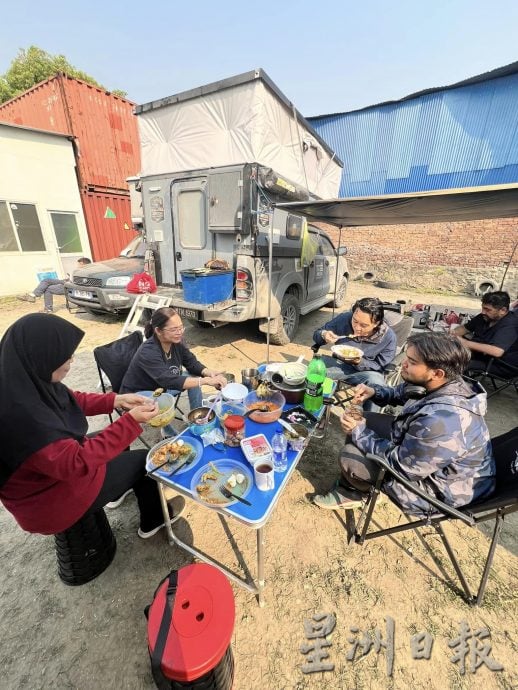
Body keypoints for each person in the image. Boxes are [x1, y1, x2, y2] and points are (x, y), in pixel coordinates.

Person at [0, 313, 185, 539]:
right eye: (65, 356)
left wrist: (117, 399)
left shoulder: (22, 381)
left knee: (111, 440)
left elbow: (72, 399)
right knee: (146, 461)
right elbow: (76, 462)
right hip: (48, 500)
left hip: (52, 477)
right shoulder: (23, 420)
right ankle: (154, 520)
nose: (71, 360)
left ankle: (118, 490)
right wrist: (131, 421)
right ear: (41, 356)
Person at [313, 332, 495, 513]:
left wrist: (358, 431)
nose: (403, 364)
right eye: (407, 358)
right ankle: (355, 485)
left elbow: (402, 468)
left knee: (350, 455)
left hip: (438, 491)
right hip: (424, 458)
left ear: (437, 373)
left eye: (412, 362)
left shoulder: (442, 421)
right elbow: (402, 392)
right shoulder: (442, 382)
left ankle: (353, 493)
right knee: (365, 420)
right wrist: (374, 392)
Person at [120, 307, 228, 411]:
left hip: (163, 388)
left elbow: (191, 362)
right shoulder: (148, 351)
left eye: (181, 327)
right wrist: (205, 381)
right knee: (161, 402)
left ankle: (198, 414)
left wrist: (209, 373)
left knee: (194, 379)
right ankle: (167, 430)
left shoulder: (177, 341)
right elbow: (168, 380)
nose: (179, 332)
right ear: (158, 330)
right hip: (139, 394)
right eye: (174, 329)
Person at [313, 297, 397, 409]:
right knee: (313, 372)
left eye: (364, 325)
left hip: (367, 373)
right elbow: (317, 335)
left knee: (377, 385)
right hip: (338, 364)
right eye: (355, 321)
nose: (357, 328)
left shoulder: (388, 337)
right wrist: (323, 335)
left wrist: (360, 362)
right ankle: (315, 410)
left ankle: (369, 421)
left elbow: (380, 366)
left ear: (376, 323)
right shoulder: (344, 319)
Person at [452, 291, 518, 377]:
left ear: (503, 310)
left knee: (452, 363)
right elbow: (464, 328)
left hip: (501, 365)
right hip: (482, 356)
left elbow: (497, 351)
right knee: (442, 354)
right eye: (483, 308)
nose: (483, 312)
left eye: (487, 309)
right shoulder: (484, 317)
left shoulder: (510, 324)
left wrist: (465, 343)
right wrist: (453, 333)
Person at [17, 257, 92, 313]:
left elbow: (81, 283)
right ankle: (43, 304)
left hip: (71, 287)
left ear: (82, 263)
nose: (77, 265)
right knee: (47, 285)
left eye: (79, 264)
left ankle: (35, 297)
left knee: (46, 282)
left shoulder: (84, 271)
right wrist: (67, 280)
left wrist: (68, 281)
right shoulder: (86, 270)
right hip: (68, 284)